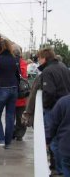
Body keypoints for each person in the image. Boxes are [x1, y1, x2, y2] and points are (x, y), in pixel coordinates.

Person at [39, 47, 70, 175]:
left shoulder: (47, 71)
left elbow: (49, 92)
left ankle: (59, 169)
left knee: (54, 141)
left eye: (39, 59)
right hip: (66, 108)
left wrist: (44, 105)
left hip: (54, 108)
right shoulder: (64, 68)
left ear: (44, 58)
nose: (38, 61)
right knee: (63, 137)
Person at [0, 39, 19, 148]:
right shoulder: (14, 59)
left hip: (1, 88)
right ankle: (8, 142)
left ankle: (0, 139)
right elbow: (18, 75)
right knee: (10, 116)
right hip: (14, 89)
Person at [46, 94, 70, 177]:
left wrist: (47, 140)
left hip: (66, 146)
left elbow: (53, 125)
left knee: (67, 167)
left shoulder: (62, 102)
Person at [13, 44, 28, 141]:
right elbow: (24, 76)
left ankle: (11, 133)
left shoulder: (10, 61)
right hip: (21, 94)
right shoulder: (23, 63)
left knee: (11, 115)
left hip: (12, 92)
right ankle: (19, 134)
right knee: (20, 115)